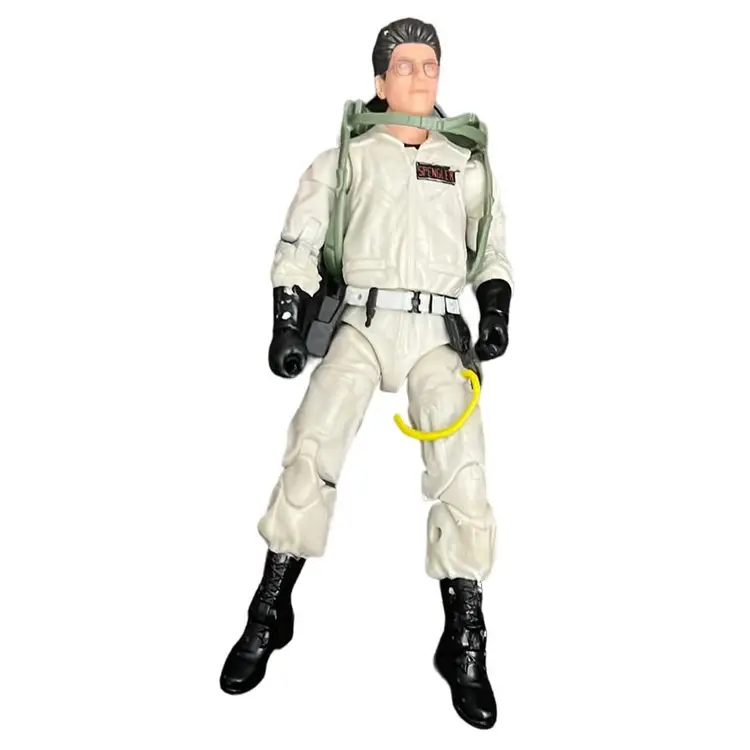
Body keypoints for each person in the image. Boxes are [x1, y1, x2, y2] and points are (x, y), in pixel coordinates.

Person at [219, 17, 513, 730]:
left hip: (435, 330)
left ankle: (464, 634)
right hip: (362, 320)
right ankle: (271, 605)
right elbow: (299, 242)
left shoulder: (465, 162)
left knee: (464, 469)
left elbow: (491, 250)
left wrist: (497, 312)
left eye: (430, 65)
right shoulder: (346, 158)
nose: (420, 77)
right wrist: (287, 323)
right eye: (405, 66)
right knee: (312, 444)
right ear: (380, 78)